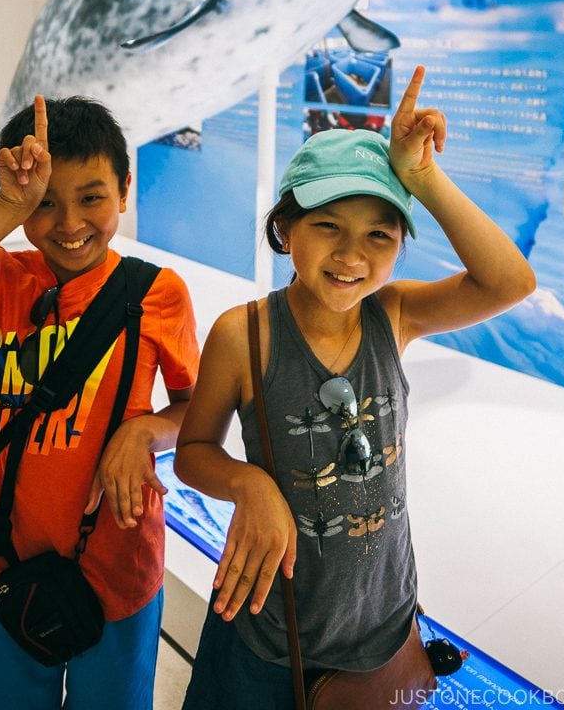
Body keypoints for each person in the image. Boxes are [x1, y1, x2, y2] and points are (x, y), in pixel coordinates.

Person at [175, 65, 536, 708]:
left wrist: (422, 177)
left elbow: (510, 282)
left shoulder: (393, 316)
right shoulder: (246, 335)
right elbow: (194, 451)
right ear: (286, 230)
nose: (352, 255)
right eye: (328, 226)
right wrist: (248, 483)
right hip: (271, 625)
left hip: (383, 620)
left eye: (379, 233)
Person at [0, 95, 199, 710]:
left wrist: (144, 433)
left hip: (119, 565)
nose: (69, 221)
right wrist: (4, 211)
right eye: (46, 202)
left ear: (126, 191)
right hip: (1, 558)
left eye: (92, 197)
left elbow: (194, 414)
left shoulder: (157, 295)